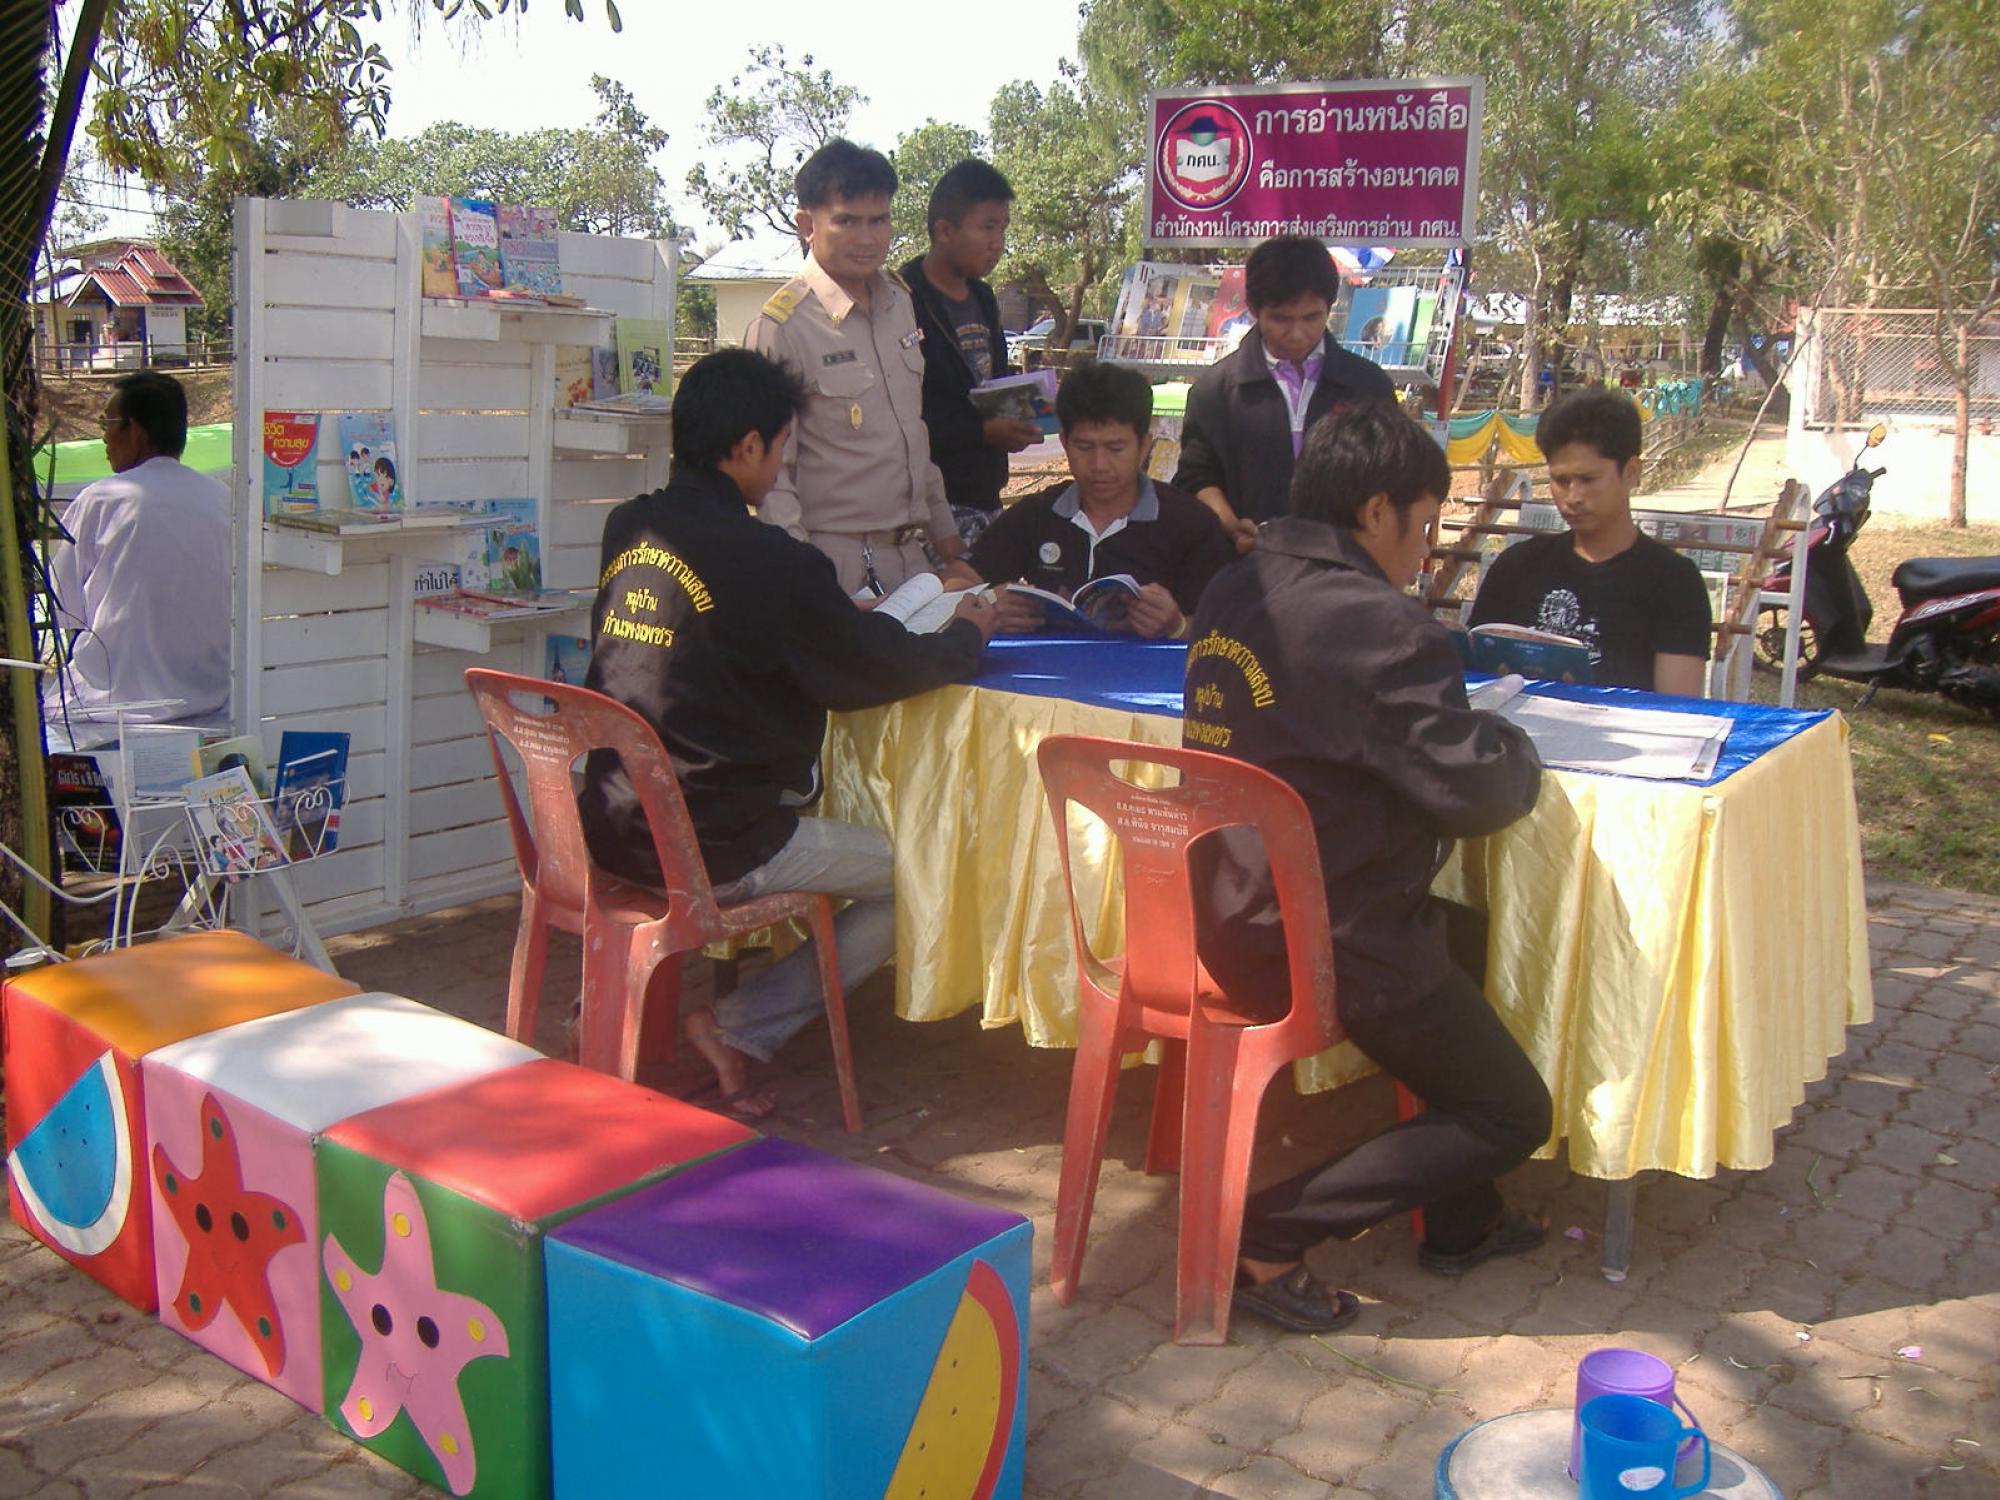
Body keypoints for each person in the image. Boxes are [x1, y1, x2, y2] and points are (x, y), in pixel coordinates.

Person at [1183, 401, 1553, 1333]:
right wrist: (1513, 743)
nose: (1426, 553)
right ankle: (1268, 1235)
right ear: (1378, 511)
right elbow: (1478, 793)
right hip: (1328, 938)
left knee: (1459, 940)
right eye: (1425, 526)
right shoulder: (1378, 624)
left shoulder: (1234, 586)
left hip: (1230, 913)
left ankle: (1462, 1220)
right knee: (1512, 1111)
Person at [578, 349, 998, 1118]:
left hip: (607, 823)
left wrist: (829, 621)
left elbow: (726, 636)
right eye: (780, 448)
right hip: (712, 845)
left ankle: (676, 1017)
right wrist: (967, 633)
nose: (780, 467)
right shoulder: (770, 559)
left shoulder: (628, 526)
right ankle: (740, 1026)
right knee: (918, 878)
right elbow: (867, 673)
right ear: (747, 447)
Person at [746, 138, 963, 596]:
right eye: (846, 221)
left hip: (911, 558)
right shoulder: (782, 327)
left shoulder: (899, 302)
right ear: (807, 224)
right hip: (833, 563)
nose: (867, 238)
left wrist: (950, 546)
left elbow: (913, 435)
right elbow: (771, 478)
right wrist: (806, 582)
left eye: (878, 220)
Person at [948, 361, 1233, 638]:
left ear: (1144, 445)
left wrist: (1178, 626)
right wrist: (987, 602)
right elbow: (954, 580)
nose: (1099, 465)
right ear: (1064, 442)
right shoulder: (1039, 513)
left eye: (1115, 448)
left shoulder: (1191, 523)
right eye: (1084, 447)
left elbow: (1231, 625)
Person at [1467, 387, 1712, 694]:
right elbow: (1472, 678)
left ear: (1631, 472)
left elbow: (1677, 708)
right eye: (1561, 480)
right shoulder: (1517, 567)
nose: (1573, 497)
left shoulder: (1674, 583)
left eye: (1588, 480)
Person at [1174, 235, 1396, 553]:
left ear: (1330, 306)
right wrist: (1230, 524)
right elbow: (1197, 476)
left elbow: (1393, 476)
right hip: (1251, 568)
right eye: (1280, 319)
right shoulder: (1215, 391)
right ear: (1254, 309)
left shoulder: (1368, 386)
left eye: (1311, 318)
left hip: (1347, 565)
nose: (1296, 334)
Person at [45, 370, 229, 726]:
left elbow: (63, 607)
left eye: (107, 423)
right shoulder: (221, 498)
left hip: (113, 704)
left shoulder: (101, 499)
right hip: (214, 698)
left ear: (137, 432)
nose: (103, 436)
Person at [900, 159, 1041, 547]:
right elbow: (904, 411)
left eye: (1003, 228)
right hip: (928, 505)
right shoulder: (902, 299)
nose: (998, 242)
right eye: (987, 227)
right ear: (944, 231)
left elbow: (993, 385)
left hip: (985, 491)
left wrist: (1021, 418)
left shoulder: (982, 295)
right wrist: (980, 431)